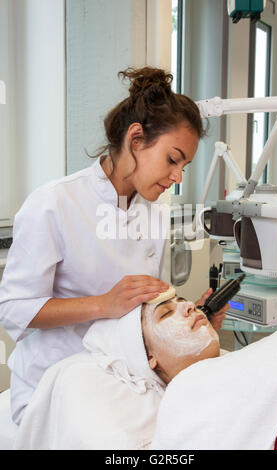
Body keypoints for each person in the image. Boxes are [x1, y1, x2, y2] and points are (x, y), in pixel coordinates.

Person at [0, 66, 227, 425]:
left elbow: (146, 305)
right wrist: (103, 304)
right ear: (136, 139)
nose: (177, 177)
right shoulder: (54, 204)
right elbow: (13, 309)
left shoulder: (153, 212)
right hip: (56, 383)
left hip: (124, 379)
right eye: (172, 159)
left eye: (184, 165)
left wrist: (190, 314)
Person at [13, 294, 222, 450]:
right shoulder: (117, 425)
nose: (189, 306)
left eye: (186, 301)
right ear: (148, 357)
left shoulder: (239, 366)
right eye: (165, 313)